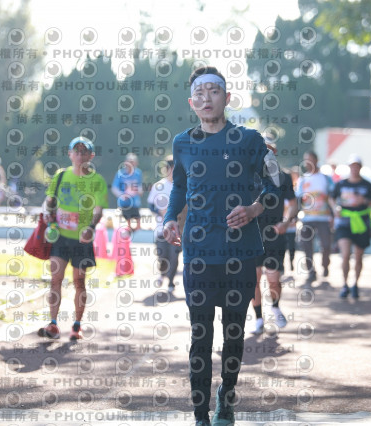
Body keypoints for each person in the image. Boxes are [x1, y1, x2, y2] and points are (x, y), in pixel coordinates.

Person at [163, 66, 279, 426]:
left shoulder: (249, 140)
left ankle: (226, 398)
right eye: (199, 93)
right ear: (191, 102)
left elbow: (275, 188)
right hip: (198, 254)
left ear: (227, 98)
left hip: (239, 254)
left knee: (233, 333)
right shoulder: (182, 143)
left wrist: (254, 209)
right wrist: (170, 217)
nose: (206, 98)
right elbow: (179, 187)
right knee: (200, 335)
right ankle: (200, 416)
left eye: (214, 91)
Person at [39, 136, 108, 341]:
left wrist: (90, 227)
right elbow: (50, 200)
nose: (79, 155)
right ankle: (53, 324)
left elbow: (98, 209)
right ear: (69, 154)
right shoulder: (61, 175)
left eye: (84, 152)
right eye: (76, 151)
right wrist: (48, 214)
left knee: (79, 282)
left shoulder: (97, 181)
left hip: (81, 240)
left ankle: (77, 326)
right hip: (60, 237)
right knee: (55, 279)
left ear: (91, 156)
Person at [250, 144, 298, 335]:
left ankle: (275, 307)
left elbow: (293, 204)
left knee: (273, 278)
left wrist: (286, 222)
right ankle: (258, 319)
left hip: (275, 234)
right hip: (252, 235)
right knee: (253, 280)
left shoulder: (283, 177)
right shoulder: (246, 175)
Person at [330, 154, 371, 299]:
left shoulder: (367, 185)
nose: (354, 169)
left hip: (361, 222)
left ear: (360, 167)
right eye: (352, 166)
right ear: (349, 167)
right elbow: (331, 198)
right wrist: (335, 208)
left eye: (357, 166)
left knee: (358, 256)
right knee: (345, 254)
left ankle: (355, 284)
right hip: (344, 222)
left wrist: (364, 200)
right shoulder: (341, 184)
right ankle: (344, 284)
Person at [295, 151, 335, 284]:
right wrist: (295, 216)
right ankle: (311, 272)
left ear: (316, 161)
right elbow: (298, 199)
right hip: (307, 218)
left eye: (310, 159)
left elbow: (332, 197)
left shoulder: (325, 178)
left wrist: (333, 215)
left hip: (323, 218)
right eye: (306, 160)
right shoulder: (302, 180)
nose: (308, 163)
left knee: (326, 245)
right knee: (306, 246)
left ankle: (325, 264)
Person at [148, 155, 181, 293]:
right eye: (170, 169)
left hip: (177, 229)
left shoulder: (181, 186)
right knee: (162, 256)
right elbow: (151, 205)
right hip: (160, 228)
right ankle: (162, 274)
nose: (172, 172)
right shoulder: (158, 186)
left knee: (174, 256)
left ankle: (171, 282)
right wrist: (160, 211)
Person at [112, 153, 143, 231]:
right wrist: (122, 195)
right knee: (127, 223)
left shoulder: (138, 173)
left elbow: (139, 186)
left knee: (137, 221)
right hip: (124, 203)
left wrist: (139, 191)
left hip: (135, 202)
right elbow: (114, 188)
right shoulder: (120, 174)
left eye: (133, 163)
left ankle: (134, 234)